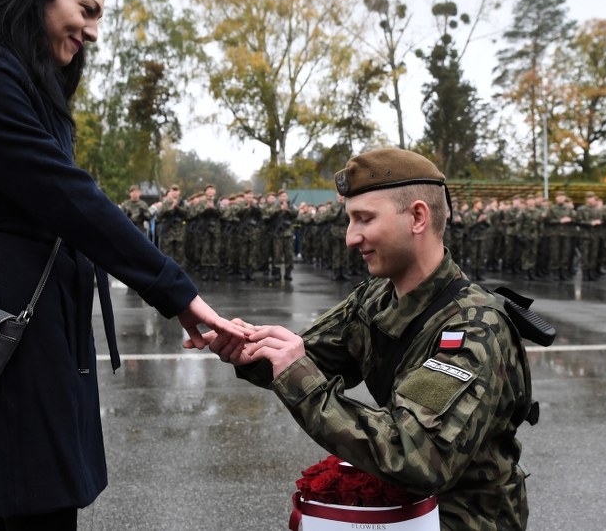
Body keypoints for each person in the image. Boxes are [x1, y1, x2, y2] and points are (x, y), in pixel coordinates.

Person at [0, 0, 240, 530]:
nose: (92, 31)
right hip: (5, 315)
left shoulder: (13, 71)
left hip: (29, 307)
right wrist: (176, 292)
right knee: (31, 502)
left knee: (29, 502)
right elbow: (66, 195)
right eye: (86, 10)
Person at [194, 148, 533, 530]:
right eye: (349, 220)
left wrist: (297, 374)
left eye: (365, 219)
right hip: (406, 516)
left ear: (417, 217)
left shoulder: (473, 329)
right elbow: (309, 358)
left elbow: (415, 454)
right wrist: (251, 348)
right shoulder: (376, 298)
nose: (350, 238)